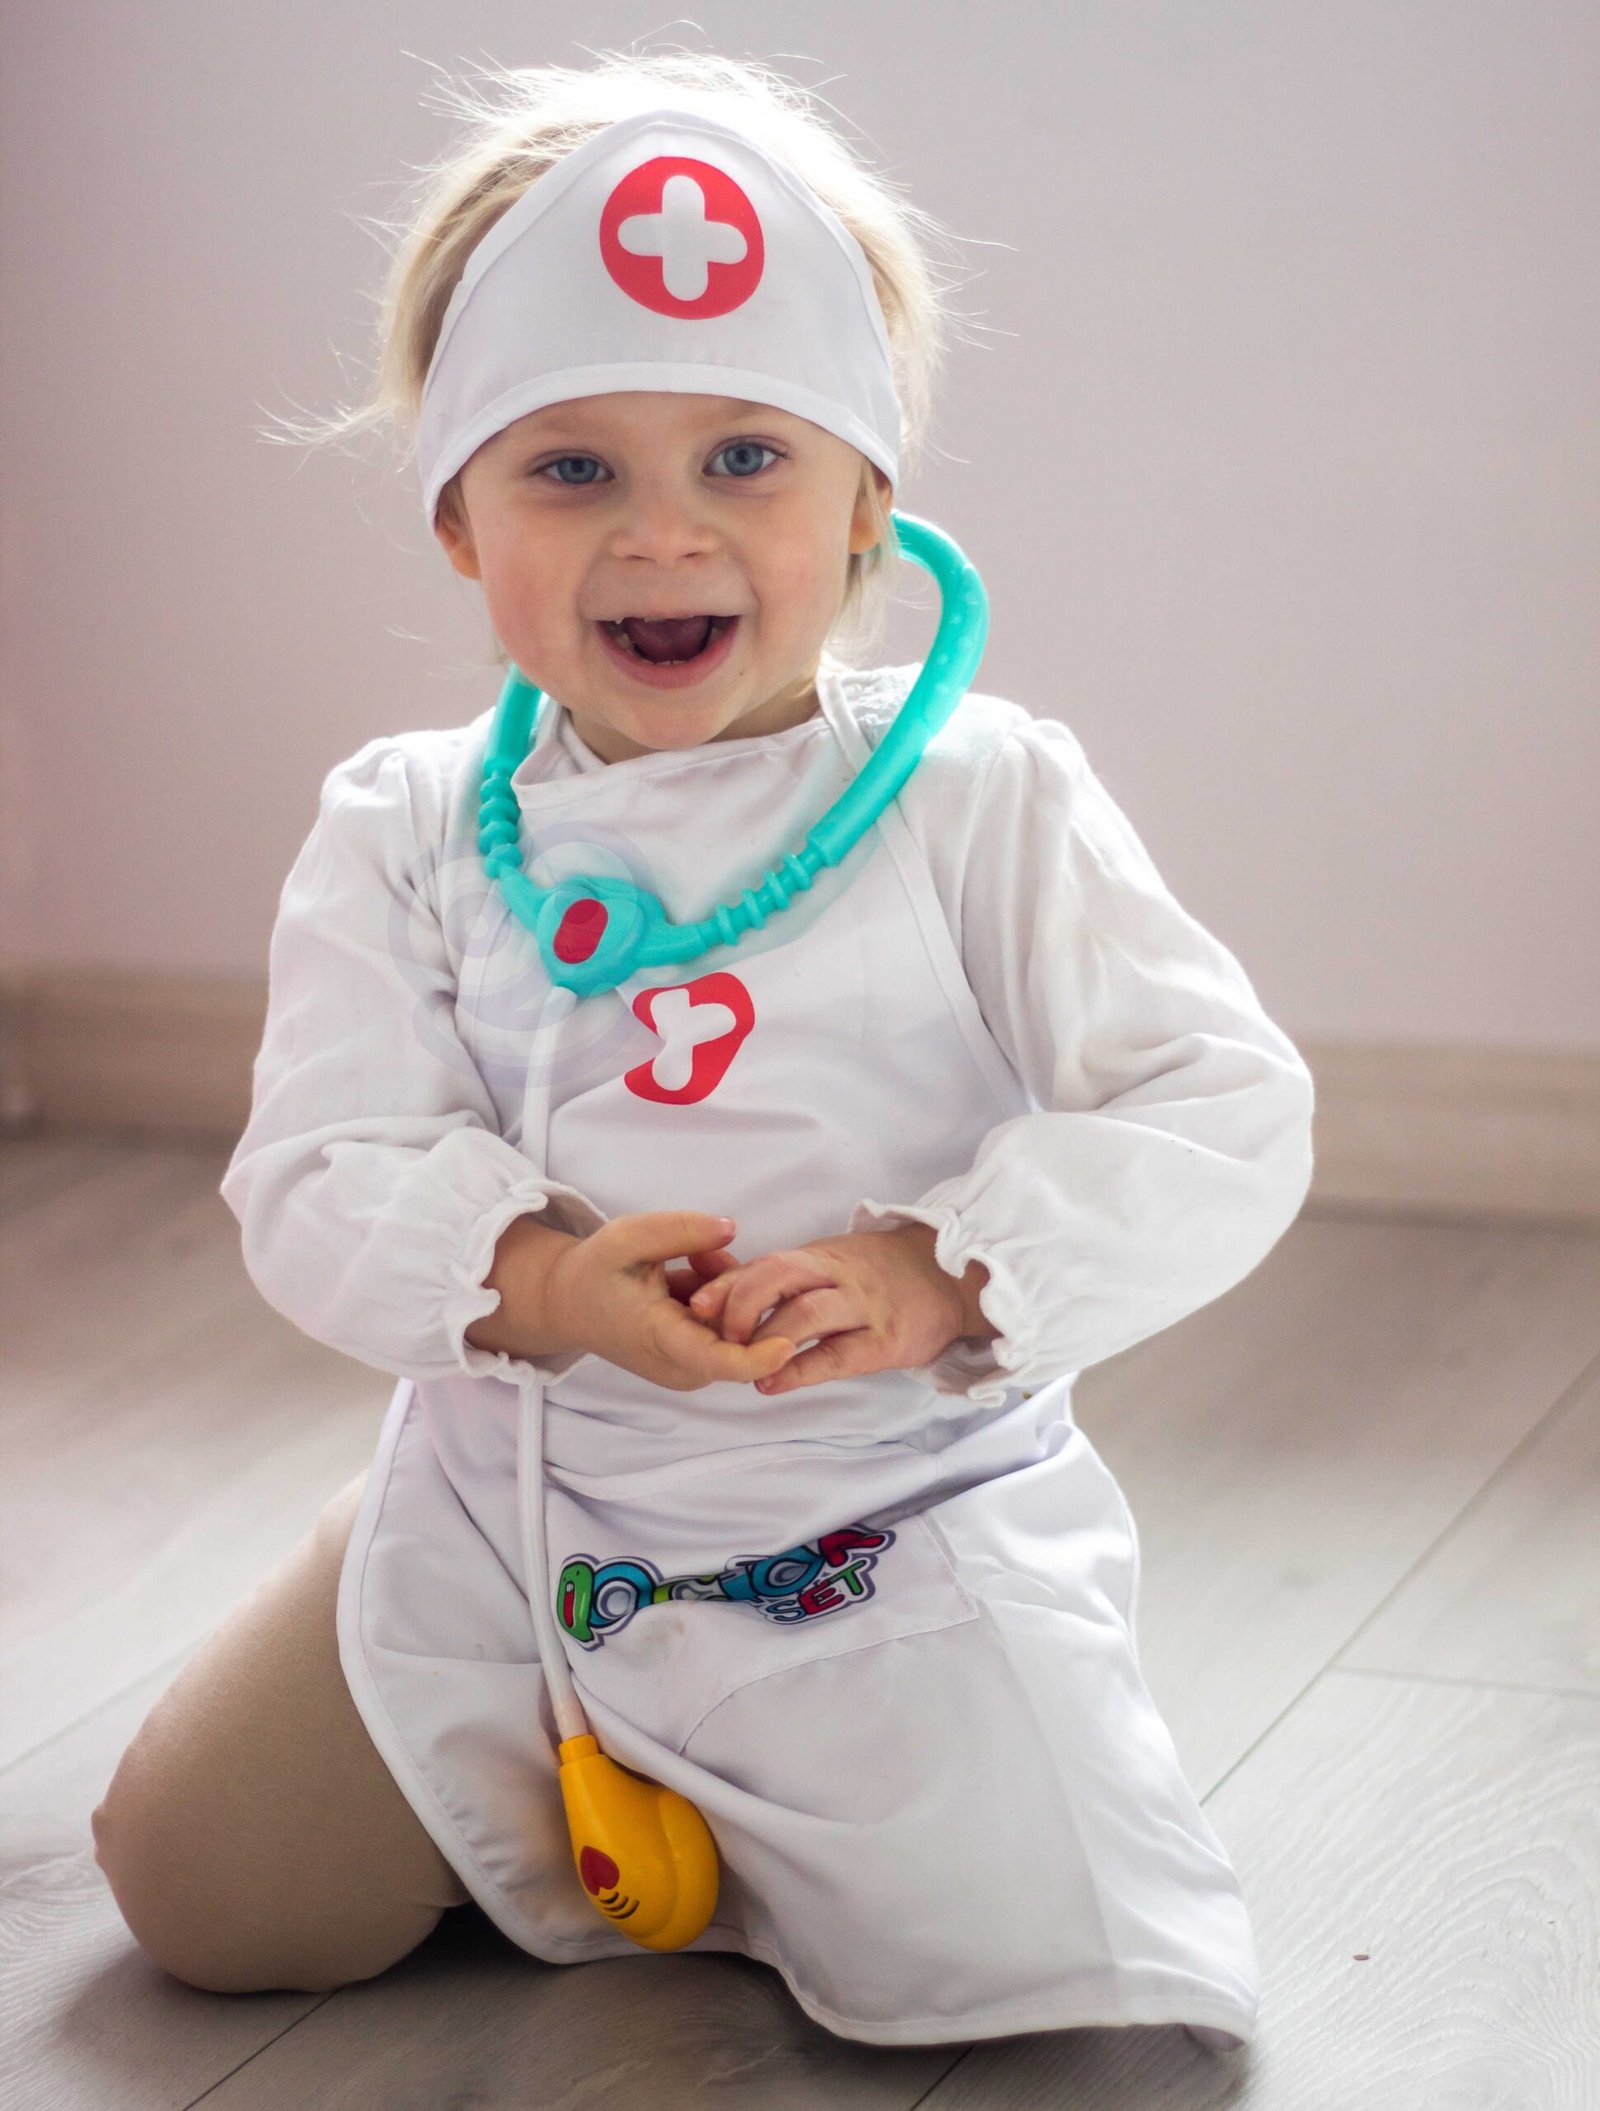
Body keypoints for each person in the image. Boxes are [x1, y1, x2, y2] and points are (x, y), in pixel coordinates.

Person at [91, 50, 1313, 2056]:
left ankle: (750, 1812)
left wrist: (941, 1272)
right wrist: (542, 1286)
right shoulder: (408, 827)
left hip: (879, 1513)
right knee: (204, 1895)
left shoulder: (979, 797)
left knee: (1057, 1973)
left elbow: (1219, 1109)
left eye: (745, 457)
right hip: (515, 1506)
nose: (663, 536)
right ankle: (526, 1730)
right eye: (568, 470)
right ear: (456, 521)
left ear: (867, 508)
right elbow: (316, 1173)